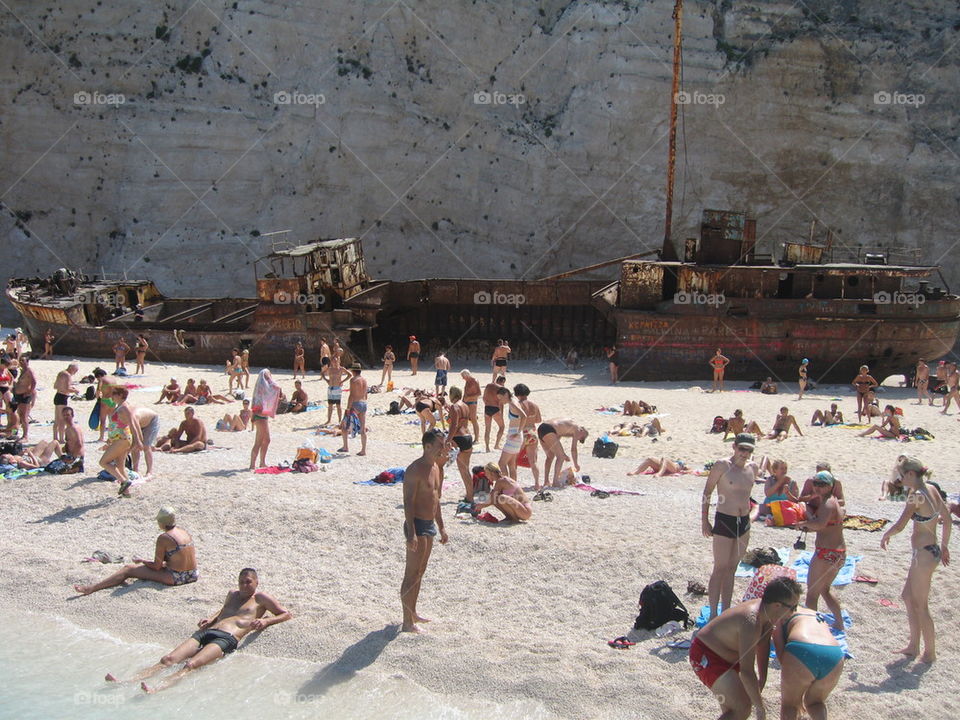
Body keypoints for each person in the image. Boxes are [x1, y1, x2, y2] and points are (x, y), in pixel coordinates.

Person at [109, 568, 291, 693]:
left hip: (227, 638)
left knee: (191, 664)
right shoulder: (232, 594)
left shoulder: (261, 598)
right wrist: (210, 619)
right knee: (168, 659)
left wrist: (265, 622)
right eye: (241, 582)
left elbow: (285, 614)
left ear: (256, 582)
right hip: (207, 632)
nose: (244, 585)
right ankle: (128, 681)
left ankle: (158, 688)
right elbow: (224, 610)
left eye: (248, 582)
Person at [689, 576, 803, 720]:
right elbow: (747, 672)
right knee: (741, 709)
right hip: (706, 656)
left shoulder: (767, 614)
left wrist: (762, 679)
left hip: (729, 659)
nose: (794, 612)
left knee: (735, 710)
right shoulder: (751, 621)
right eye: (793, 607)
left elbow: (763, 645)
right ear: (777, 605)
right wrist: (760, 709)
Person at [880, 456, 951, 663]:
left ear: (911, 474)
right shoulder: (932, 489)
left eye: (902, 476)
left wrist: (886, 535)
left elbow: (901, 525)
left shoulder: (916, 496)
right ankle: (913, 646)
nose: (900, 479)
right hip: (930, 551)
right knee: (908, 597)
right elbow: (946, 520)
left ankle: (930, 653)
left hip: (924, 555)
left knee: (921, 605)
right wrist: (944, 546)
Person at [74, 507, 198, 596]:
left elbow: (156, 566)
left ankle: (92, 588)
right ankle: (92, 588)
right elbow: (176, 558)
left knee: (128, 569)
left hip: (177, 578)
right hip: (193, 574)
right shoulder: (184, 532)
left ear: (161, 522)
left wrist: (142, 561)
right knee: (156, 566)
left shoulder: (164, 538)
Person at [702, 433, 759, 620]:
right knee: (720, 567)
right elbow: (707, 492)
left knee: (732, 568)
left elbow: (747, 496)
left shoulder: (753, 468)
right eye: (742, 448)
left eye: (749, 450)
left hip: (743, 522)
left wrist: (750, 516)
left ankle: (725, 611)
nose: (745, 453)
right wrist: (705, 520)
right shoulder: (722, 465)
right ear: (734, 447)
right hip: (724, 519)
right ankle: (712, 613)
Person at [401, 430, 448, 633]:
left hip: (429, 525)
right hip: (416, 524)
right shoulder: (415, 469)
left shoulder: (436, 468)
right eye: (439, 444)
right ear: (428, 446)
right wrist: (411, 533)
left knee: (420, 572)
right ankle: (406, 622)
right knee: (411, 574)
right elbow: (408, 502)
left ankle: (413, 612)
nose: (443, 448)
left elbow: (436, 499)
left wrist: (442, 526)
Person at [772, 606, 845, 720]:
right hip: (834, 654)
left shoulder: (781, 613)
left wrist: (791, 678)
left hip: (802, 648)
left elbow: (780, 650)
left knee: (790, 705)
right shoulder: (813, 612)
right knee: (815, 702)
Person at [797, 471, 846, 631]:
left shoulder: (827, 503)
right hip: (838, 553)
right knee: (825, 590)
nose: (818, 487)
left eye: (822, 484)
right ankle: (839, 622)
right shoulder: (833, 502)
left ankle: (811, 630)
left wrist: (801, 523)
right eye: (816, 483)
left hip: (825, 554)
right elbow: (825, 526)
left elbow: (820, 525)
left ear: (830, 486)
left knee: (812, 595)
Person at [100, 386, 142, 496]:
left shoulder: (124, 407)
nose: (111, 396)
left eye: (114, 394)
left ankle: (124, 481)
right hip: (118, 439)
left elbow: (133, 424)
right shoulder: (120, 407)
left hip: (122, 439)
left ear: (120, 395)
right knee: (120, 467)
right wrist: (109, 441)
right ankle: (127, 493)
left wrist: (138, 440)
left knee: (103, 462)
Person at [538, 418, 589, 488]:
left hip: (542, 428)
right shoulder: (577, 429)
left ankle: (546, 481)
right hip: (549, 429)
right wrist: (576, 464)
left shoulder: (566, 427)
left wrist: (564, 454)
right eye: (582, 437)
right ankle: (555, 482)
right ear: (582, 430)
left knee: (550, 456)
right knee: (560, 457)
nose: (579, 439)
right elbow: (573, 449)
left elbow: (556, 441)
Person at [445, 387, 474, 504]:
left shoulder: (454, 406)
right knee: (466, 469)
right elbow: (465, 422)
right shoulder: (465, 406)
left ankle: (470, 497)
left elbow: (454, 425)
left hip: (458, 438)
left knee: (463, 470)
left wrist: (448, 439)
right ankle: (469, 495)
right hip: (468, 437)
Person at [249, 369, 280, 470]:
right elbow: (275, 387)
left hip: (262, 416)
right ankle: (252, 464)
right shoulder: (263, 388)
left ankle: (262, 462)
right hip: (260, 416)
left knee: (266, 440)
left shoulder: (262, 388)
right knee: (259, 441)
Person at [514, 383, 542, 487]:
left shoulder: (517, 405)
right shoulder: (534, 405)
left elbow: (515, 420)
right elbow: (538, 420)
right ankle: (537, 483)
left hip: (522, 433)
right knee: (533, 461)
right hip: (532, 433)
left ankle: (514, 483)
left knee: (514, 460)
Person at [496, 386, 527, 478]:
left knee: (502, 463)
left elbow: (524, 416)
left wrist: (518, 431)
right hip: (516, 435)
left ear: (505, 394)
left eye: (501, 398)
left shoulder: (513, 403)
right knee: (511, 465)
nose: (500, 401)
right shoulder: (514, 399)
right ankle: (513, 488)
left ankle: (507, 485)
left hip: (514, 435)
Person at [339, 364, 368, 455]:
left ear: (353, 371)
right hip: (364, 403)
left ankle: (345, 447)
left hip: (355, 403)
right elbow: (366, 394)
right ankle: (363, 450)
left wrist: (348, 408)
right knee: (363, 429)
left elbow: (351, 395)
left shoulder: (353, 380)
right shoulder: (364, 380)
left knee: (344, 425)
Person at [10, 355, 36, 441]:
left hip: (25, 396)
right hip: (18, 395)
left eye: (23, 361)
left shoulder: (29, 371)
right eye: (20, 360)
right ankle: (14, 433)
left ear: (27, 362)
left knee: (24, 416)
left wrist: (29, 392)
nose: (21, 362)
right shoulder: (22, 371)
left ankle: (25, 436)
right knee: (16, 416)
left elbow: (34, 381)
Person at [52, 362, 79, 444]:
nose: (75, 373)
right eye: (75, 371)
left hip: (57, 396)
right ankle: (61, 439)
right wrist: (75, 390)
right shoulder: (68, 375)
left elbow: (55, 386)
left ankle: (55, 437)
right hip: (62, 397)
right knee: (62, 420)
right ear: (72, 369)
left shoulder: (61, 373)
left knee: (57, 419)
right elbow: (67, 388)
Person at [132, 406, 160, 478]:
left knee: (146, 446)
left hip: (152, 421)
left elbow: (139, 435)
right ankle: (135, 470)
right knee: (134, 446)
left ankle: (149, 471)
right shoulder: (123, 417)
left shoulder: (133, 417)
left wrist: (139, 442)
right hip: (142, 422)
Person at [321, 361, 351, 426]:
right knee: (330, 405)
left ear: (338, 361)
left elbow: (349, 375)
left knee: (338, 405)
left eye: (336, 361)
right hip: (331, 388)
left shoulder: (341, 369)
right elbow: (322, 373)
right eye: (333, 361)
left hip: (337, 388)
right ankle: (329, 420)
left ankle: (340, 420)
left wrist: (342, 381)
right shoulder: (329, 369)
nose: (335, 362)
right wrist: (327, 380)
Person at [482, 375, 506, 452]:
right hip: (495, 408)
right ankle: (496, 445)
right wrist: (501, 413)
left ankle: (487, 448)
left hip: (487, 408)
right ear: (502, 381)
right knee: (502, 427)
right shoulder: (501, 388)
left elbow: (484, 398)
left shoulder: (488, 385)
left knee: (487, 429)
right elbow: (501, 402)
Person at [460, 369, 481, 438]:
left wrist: (469, 398)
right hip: (466, 402)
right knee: (465, 419)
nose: (463, 378)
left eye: (463, 376)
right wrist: (462, 402)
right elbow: (465, 393)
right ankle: (466, 435)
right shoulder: (467, 381)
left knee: (473, 420)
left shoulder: (475, 381)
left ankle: (477, 438)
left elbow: (479, 393)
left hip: (472, 402)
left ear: (467, 375)